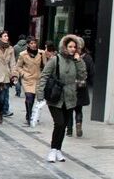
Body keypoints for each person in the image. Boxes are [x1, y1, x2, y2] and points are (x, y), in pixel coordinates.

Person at [36, 35, 87, 163]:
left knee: (63, 125)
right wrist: (40, 94)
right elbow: (44, 76)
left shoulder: (77, 61)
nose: (72, 49)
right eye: (70, 46)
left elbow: (83, 76)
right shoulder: (55, 59)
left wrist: (79, 61)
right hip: (56, 96)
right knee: (58, 123)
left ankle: (58, 150)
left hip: (70, 97)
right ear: (64, 46)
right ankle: (53, 150)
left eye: (74, 47)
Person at [66, 37, 94, 137]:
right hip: (81, 85)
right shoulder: (88, 58)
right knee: (78, 109)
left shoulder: (69, 57)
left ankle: (69, 130)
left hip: (70, 86)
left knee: (69, 109)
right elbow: (91, 73)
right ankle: (78, 124)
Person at [15, 36, 46, 126]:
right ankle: (29, 117)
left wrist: (44, 76)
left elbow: (45, 66)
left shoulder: (41, 53)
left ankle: (31, 114)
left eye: (34, 43)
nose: (33, 45)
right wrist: (23, 74)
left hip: (38, 79)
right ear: (28, 44)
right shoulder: (23, 54)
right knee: (29, 97)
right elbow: (18, 67)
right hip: (27, 79)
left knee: (35, 98)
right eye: (31, 43)